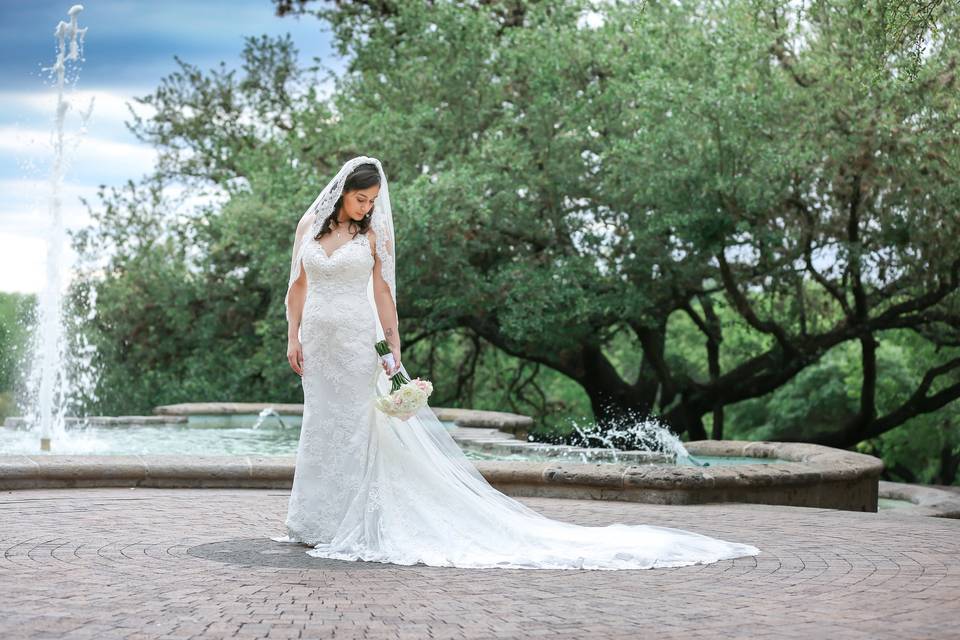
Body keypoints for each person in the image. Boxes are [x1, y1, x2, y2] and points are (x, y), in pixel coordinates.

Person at [271, 155, 761, 570]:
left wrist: (393, 346)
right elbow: (297, 287)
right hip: (318, 342)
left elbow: (382, 292)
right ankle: (315, 520)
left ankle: (355, 521)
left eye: (374, 201)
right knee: (321, 424)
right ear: (341, 194)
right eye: (362, 200)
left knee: (359, 427)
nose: (368, 207)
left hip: (359, 342)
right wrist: (292, 335)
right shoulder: (307, 229)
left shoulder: (372, 237)